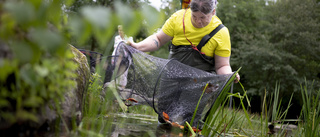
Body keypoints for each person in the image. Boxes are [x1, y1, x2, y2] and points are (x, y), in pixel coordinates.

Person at [129, 0, 240, 83]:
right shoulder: (178, 18)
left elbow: (221, 66)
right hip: (171, 79)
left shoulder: (221, 32)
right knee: (165, 113)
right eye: (194, 16)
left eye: (203, 17)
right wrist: (137, 46)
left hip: (198, 85)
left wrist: (229, 75)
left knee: (191, 114)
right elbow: (158, 39)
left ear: (213, 12)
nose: (198, 21)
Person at [112, 25, 133, 90]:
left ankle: (122, 89)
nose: (120, 32)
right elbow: (117, 46)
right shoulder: (117, 38)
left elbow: (131, 47)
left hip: (125, 58)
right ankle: (115, 87)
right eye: (119, 30)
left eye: (122, 30)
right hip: (116, 57)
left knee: (124, 72)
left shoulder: (129, 38)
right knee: (115, 71)